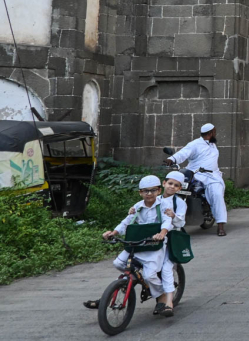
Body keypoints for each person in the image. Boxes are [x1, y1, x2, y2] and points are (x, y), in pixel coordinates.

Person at [87, 175, 174, 315]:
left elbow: (167, 221)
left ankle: (161, 295)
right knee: (118, 263)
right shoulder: (137, 207)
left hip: (154, 245)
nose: (149, 194)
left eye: (153, 190)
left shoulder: (164, 205)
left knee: (149, 275)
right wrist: (113, 232)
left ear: (159, 191)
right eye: (145, 191)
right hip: (137, 243)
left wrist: (162, 233)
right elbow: (126, 222)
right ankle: (131, 279)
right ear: (140, 192)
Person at [164, 122, 229, 236]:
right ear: (211, 133)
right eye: (214, 132)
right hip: (196, 174)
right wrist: (172, 159)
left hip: (213, 176)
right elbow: (184, 153)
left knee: (217, 194)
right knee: (177, 190)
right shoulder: (195, 144)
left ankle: (220, 226)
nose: (215, 134)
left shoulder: (212, 144)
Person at [157, 170, 188, 314]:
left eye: (176, 185)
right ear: (164, 183)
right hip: (155, 235)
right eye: (170, 183)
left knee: (166, 267)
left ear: (179, 188)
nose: (172, 187)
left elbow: (181, 222)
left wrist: (173, 215)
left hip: (171, 237)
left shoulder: (179, 202)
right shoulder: (155, 198)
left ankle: (168, 302)